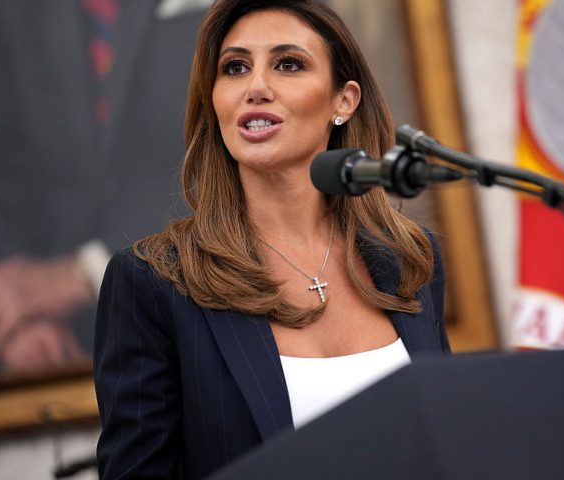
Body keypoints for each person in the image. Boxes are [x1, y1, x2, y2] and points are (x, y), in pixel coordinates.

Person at [93, 0, 450, 478]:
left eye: (288, 64)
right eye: (235, 67)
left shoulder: (409, 259)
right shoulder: (153, 283)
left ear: (343, 101)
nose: (256, 87)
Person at [0, 0, 207, 372]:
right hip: (43, 346)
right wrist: (11, 312)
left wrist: (85, 272)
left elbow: (251, 148)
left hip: (199, 314)